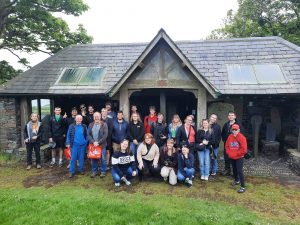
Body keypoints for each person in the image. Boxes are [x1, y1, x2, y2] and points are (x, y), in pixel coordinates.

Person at [225, 124, 247, 193]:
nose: (234, 131)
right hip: (232, 156)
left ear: (239, 130)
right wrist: (229, 153)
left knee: (239, 171)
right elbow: (227, 146)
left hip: (239, 157)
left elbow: (244, 149)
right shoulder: (230, 136)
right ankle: (236, 180)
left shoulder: (242, 137)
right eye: (233, 130)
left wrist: (236, 154)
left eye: (235, 130)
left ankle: (242, 186)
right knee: (234, 169)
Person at [221, 111, 244, 176]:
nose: (230, 116)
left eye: (232, 115)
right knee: (226, 157)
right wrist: (225, 140)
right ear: (228, 117)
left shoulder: (238, 125)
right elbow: (223, 133)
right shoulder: (226, 124)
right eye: (229, 115)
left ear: (235, 116)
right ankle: (227, 170)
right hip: (227, 144)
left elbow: (242, 134)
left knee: (235, 158)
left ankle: (235, 173)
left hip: (235, 145)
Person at [88, 112, 108, 178]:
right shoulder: (91, 125)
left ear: (100, 117)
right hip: (93, 145)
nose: (96, 117)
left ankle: (103, 172)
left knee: (103, 159)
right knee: (93, 158)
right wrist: (93, 142)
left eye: (98, 116)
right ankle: (94, 171)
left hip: (101, 145)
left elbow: (105, 135)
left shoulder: (104, 124)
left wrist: (98, 142)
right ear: (93, 117)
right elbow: (88, 135)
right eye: (95, 116)